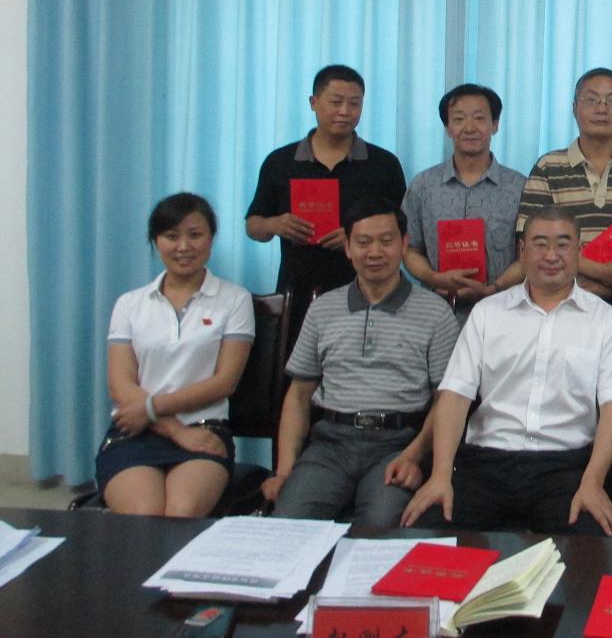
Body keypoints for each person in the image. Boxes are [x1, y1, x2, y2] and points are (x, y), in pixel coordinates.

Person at [511, 67, 612, 525]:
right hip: (559, 319)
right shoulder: (549, 167)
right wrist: (598, 271)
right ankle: (563, 514)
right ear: (574, 108)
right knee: (563, 420)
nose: (602, 108)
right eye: (592, 99)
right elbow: (532, 238)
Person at [401, 208, 612, 536]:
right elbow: (454, 397)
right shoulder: (487, 312)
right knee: (425, 533)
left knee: (591, 544)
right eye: (540, 244)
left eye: (563, 244)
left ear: (579, 251)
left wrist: (593, 483)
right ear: (522, 251)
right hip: (485, 464)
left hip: (565, 468)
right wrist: (439, 476)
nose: (551, 255)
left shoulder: (605, 320)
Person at [260, 197, 459, 527]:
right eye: (363, 242)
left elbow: (446, 401)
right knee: (287, 526)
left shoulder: (435, 313)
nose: (375, 252)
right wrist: (284, 471)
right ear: (348, 248)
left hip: (397, 446)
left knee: (383, 529)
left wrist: (415, 456)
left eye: (386, 241)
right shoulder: (323, 308)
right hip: (330, 446)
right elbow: (298, 395)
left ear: (404, 244)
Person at [96, 193, 255, 518]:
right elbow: (120, 385)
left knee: (180, 514)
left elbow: (225, 382)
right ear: (156, 241)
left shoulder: (235, 300)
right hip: (136, 431)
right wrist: (174, 430)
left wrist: (151, 408)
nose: (184, 246)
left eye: (195, 235)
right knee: (144, 514)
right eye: (171, 236)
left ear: (211, 238)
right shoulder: (130, 304)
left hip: (205, 429)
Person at [245, 64, 407, 342]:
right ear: (313, 102)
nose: (345, 111)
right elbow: (253, 226)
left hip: (367, 289)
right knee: (298, 360)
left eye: (354, 103)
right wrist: (276, 224)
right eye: (336, 102)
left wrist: (357, 238)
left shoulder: (384, 164)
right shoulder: (280, 162)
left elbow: (403, 228)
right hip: (298, 289)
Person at [401, 83, 526, 318]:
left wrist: (494, 289)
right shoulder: (423, 185)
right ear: (448, 128)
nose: (469, 127)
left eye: (479, 118)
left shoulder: (519, 187)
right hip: (436, 313)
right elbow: (409, 249)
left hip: (504, 313)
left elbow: (528, 255)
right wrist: (434, 278)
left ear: (495, 125)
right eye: (459, 119)